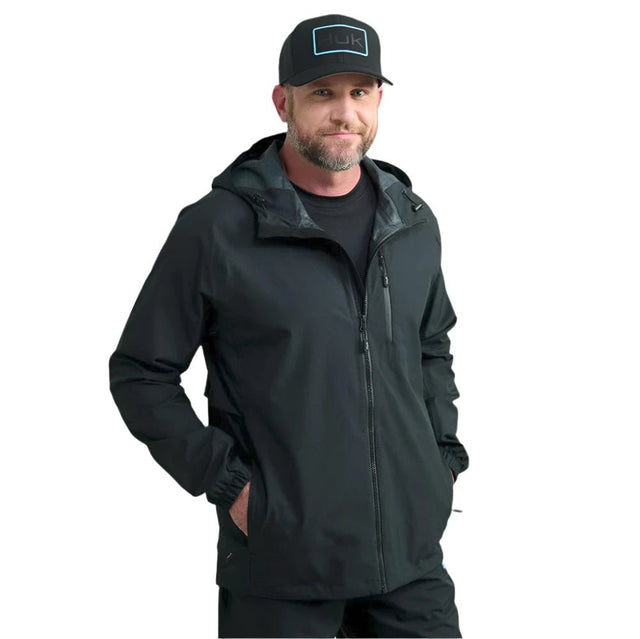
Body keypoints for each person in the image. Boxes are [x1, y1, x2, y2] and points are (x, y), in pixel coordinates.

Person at [109, 13, 469, 638]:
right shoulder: (218, 228)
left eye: (360, 92)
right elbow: (141, 372)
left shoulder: (411, 221)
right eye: (322, 93)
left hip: (410, 562)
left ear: (379, 100)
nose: (344, 113)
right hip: (281, 565)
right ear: (283, 103)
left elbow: (431, 345)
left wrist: (441, 461)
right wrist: (230, 485)